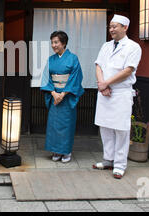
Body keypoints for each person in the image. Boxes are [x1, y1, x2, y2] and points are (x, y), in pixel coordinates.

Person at [92, 14, 142, 179]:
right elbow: (98, 65)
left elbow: (128, 70)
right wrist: (102, 84)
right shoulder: (105, 45)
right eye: (110, 26)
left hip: (120, 92)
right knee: (105, 128)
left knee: (121, 130)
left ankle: (120, 165)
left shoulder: (133, 47)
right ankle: (108, 159)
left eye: (115, 26)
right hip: (104, 92)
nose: (111, 29)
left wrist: (107, 83)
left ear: (125, 27)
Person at [40, 31, 84, 163]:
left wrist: (63, 94)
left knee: (66, 124)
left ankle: (66, 151)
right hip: (54, 95)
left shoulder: (73, 58)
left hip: (67, 96)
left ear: (64, 43)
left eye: (56, 42)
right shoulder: (51, 60)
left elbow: (76, 77)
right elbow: (46, 78)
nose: (53, 45)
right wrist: (53, 93)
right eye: (52, 42)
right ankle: (56, 151)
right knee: (53, 125)